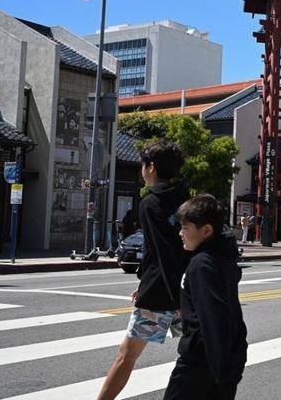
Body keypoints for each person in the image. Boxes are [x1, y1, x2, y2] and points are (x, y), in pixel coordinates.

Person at [98, 141, 191, 400]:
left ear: (150, 167)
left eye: (142, 165)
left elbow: (163, 252)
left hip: (163, 294)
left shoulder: (151, 203)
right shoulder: (184, 196)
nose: (142, 170)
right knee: (198, 355)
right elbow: (175, 248)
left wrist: (169, 295)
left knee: (126, 356)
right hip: (187, 290)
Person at [163, 194, 248, 400]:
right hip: (215, 362)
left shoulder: (203, 264)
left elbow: (214, 319)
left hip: (200, 365)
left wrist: (223, 375)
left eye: (185, 228)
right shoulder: (221, 257)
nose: (180, 233)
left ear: (206, 230)